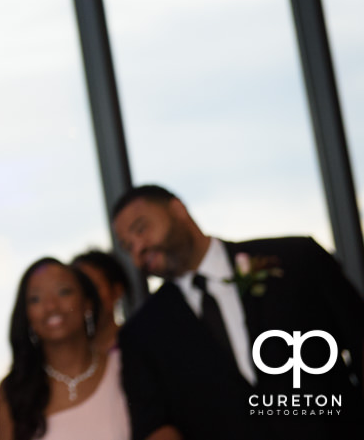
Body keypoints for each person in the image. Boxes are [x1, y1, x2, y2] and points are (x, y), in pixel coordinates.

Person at [112, 184, 364, 440]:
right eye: (127, 246)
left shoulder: (297, 260)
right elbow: (153, 423)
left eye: (141, 229)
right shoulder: (142, 333)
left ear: (178, 209)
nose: (138, 249)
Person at [0, 258, 131, 440]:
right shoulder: (13, 392)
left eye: (63, 292)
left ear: (87, 303)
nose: (51, 306)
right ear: (27, 315)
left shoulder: (125, 368)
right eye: (35, 299)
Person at [71, 249, 132, 354]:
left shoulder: (138, 343)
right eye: (76, 289)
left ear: (117, 291)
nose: (84, 297)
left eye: (92, 288)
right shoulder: (69, 356)